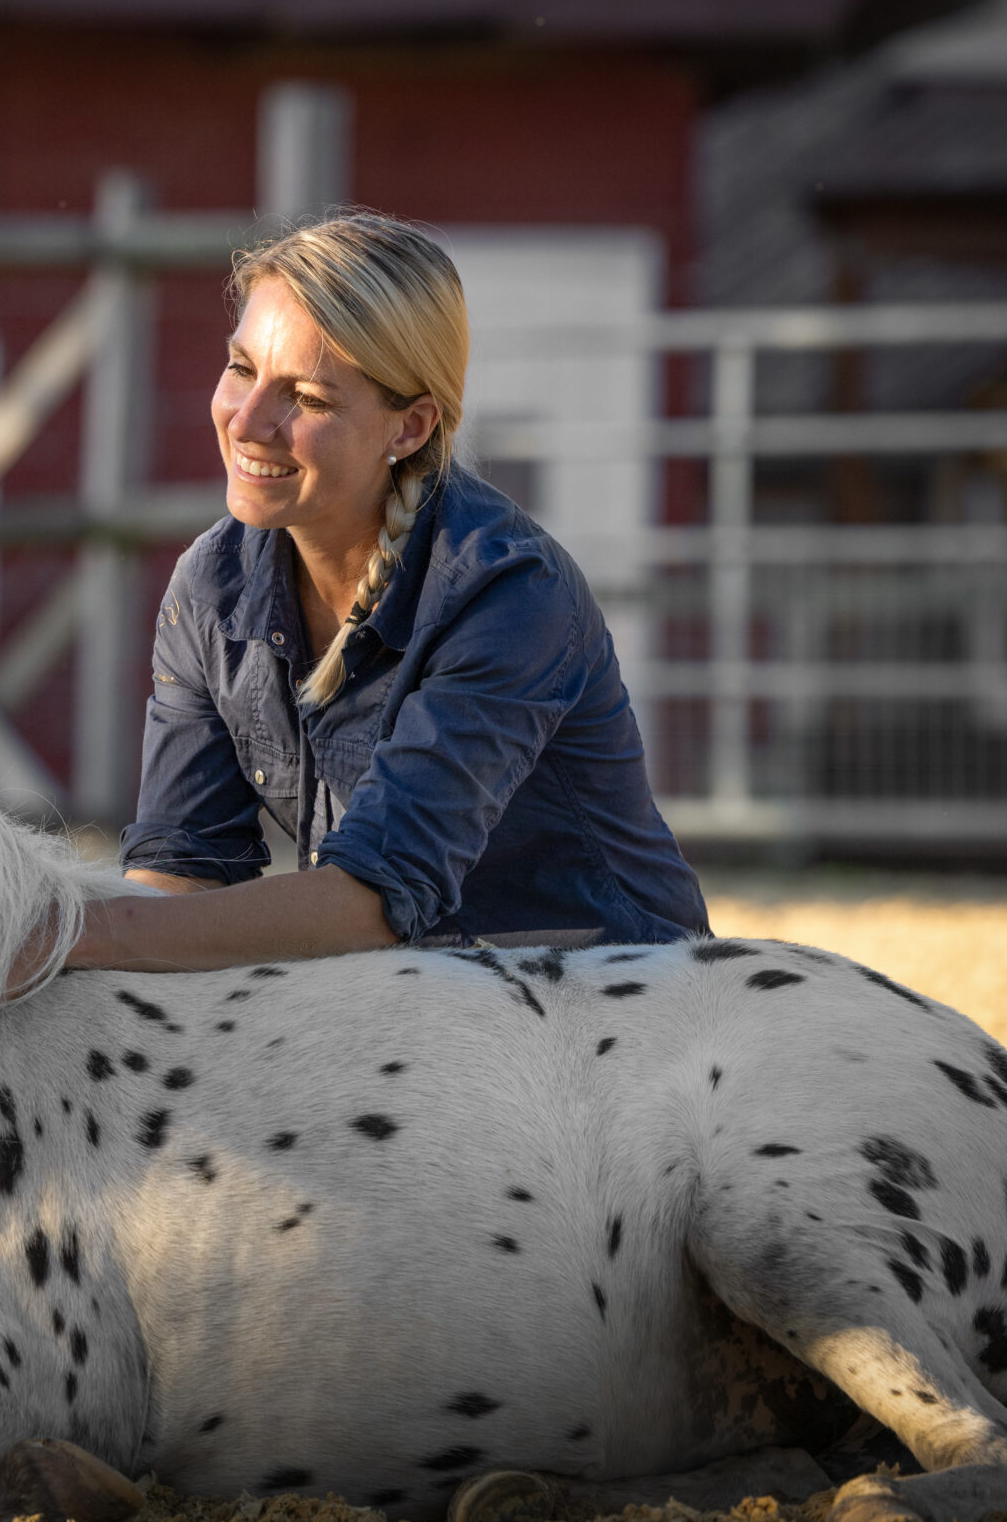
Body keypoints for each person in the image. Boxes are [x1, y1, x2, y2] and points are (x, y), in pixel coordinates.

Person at [61, 212, 706, 976]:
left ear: (409, 427)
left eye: (306, 397)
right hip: (408, 1010)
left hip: (612, 1013)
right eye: (241, 369)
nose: (248, 420)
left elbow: (374, 902)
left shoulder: (508, 594)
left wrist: (71, 937)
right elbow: (183, 863)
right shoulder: (211, 585)